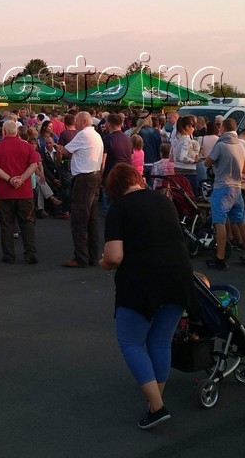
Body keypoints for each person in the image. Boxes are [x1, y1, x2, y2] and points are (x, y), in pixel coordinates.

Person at [99, 164, 197, 431]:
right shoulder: (163, 200)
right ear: (138, 179)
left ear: (113, 189)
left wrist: (103, 263)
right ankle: (155, 400)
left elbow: (114, 257)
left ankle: (157, 405)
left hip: (142, 281)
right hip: (179, 277)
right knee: (161, 340)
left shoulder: (120, 208)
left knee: (131, 341)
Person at [204, 118, 245, 270]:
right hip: (237, 188)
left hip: (222, 187)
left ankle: (220, 258)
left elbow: (208, 162)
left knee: (219, 222)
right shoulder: (241, 145)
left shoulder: (221, 145)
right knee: (241, 221)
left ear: (224, 128)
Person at [0, 121, 40, 265]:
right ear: (16, 131)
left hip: (5, 192)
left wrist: (9, 179)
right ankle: (30, 253)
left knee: (7, 225)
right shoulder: (27, 146)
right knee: (27, 223)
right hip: (24, 192)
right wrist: (22, 178)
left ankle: (9, 255)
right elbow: (34, 164)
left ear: (4, 131)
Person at [58, 111, 104, 268]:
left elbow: (66, 151)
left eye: (77, 121)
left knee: (79, 219)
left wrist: (59, 147)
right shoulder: (96, 135)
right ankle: (93, 256)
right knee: (92, 220)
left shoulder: (83, 135)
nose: (75, 123)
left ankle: (81, 257)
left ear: (84, 122)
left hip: (83, 179)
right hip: (95, 176)